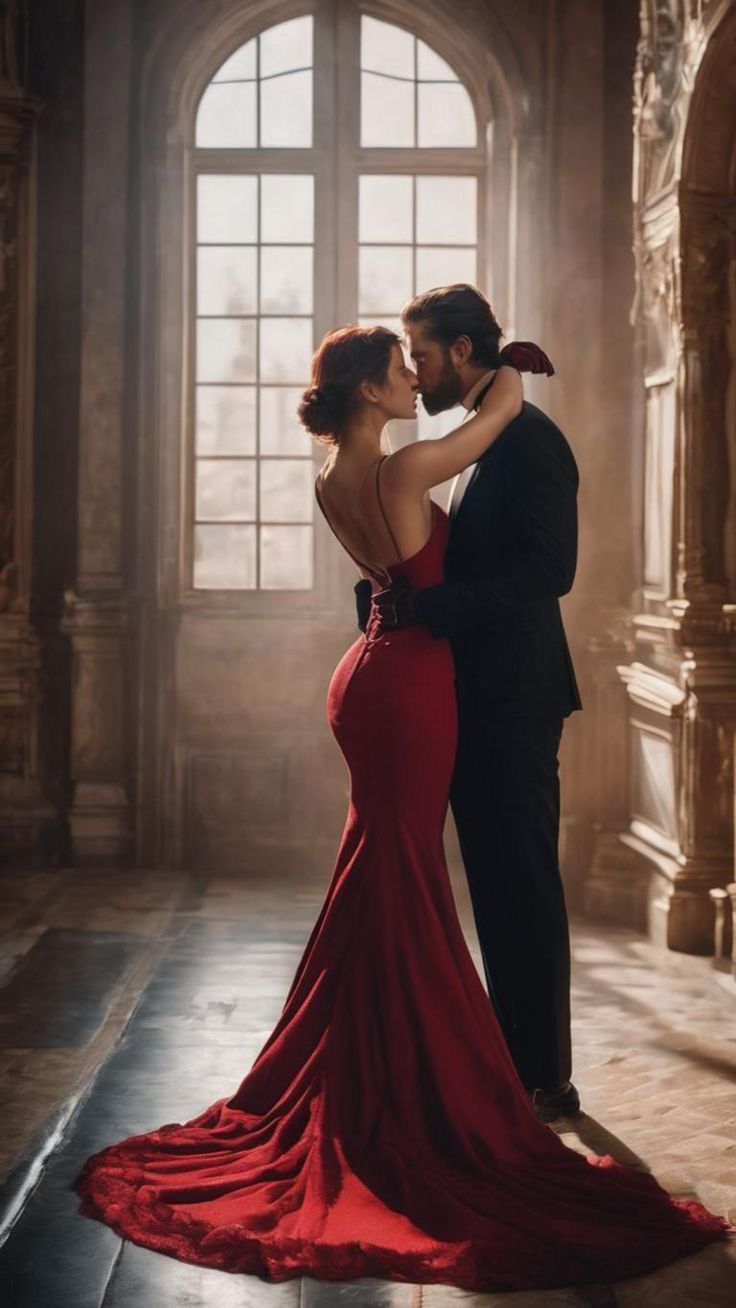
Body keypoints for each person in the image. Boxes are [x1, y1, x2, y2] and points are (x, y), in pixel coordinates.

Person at [73, 326, 727, 1292]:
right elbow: (500, 410)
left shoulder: (338, 471)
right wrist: (509, 366)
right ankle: (407, 1070)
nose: (414, 378)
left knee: (386, 867)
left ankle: (374, 1059)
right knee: (402, 870)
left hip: (370, 676)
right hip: (412, 686)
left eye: (420, 361)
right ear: (367, 392)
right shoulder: (405, 466)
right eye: (399, 369)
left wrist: (494, 366)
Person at [359, 284, 581, 1122]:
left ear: (460, 351)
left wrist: (434, 610)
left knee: (522, 883)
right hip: (476, 696)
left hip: (517, 700)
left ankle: (549, 1078)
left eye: (419, 355)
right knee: (494, 884)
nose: (415, 373)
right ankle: (514, 1064)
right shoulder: (483, 438)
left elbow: (547, 573)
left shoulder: (530, 441)